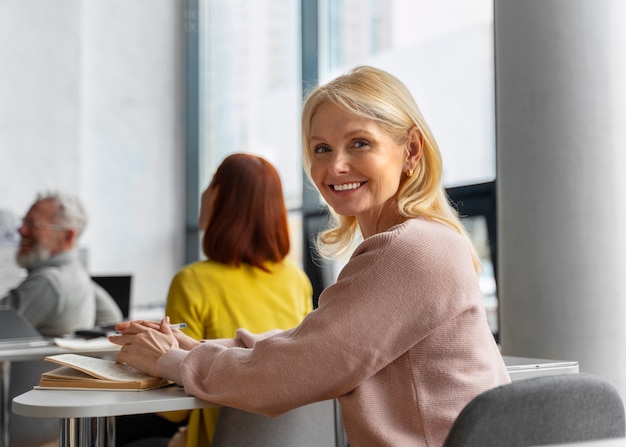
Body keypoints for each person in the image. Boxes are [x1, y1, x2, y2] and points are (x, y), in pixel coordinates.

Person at [111, 66, 510, 446]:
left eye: (360, 143)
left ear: (411, 150)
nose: (335, 165)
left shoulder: (410, 250)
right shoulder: (425, 241)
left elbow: (297, 366)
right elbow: (308, 340)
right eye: (321, 148)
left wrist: (172, 362)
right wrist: (193, 349)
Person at [116, 153, 313, 447]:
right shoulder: (297, 280)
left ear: (220, 198)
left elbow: (176, 411)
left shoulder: (192, 281)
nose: (204, 193)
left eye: (211, 184)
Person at [0, 192, 123, 336]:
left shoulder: (48, 283)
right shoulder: (76, 275)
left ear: (68, 236)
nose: (21, 230)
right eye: (24, 222)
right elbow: (112, 318)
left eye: (33, 224)